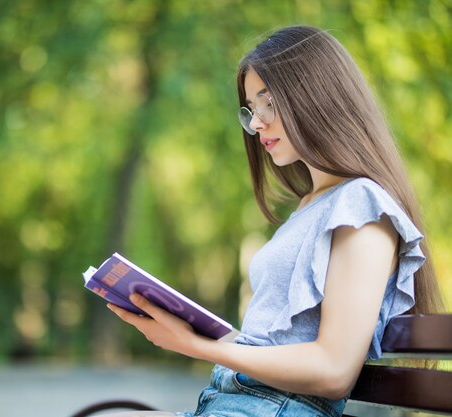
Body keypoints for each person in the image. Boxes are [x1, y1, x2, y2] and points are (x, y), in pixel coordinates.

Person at [104, 25, 444, 417]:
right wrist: (196, 327)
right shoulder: (312, 205)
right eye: (251, 108)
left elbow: (334, 371)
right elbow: (277, 342)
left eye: (269, 103)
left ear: (316, 97)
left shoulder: (361, 204)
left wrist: (195, 346)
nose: (257, 124)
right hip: (233, 402)